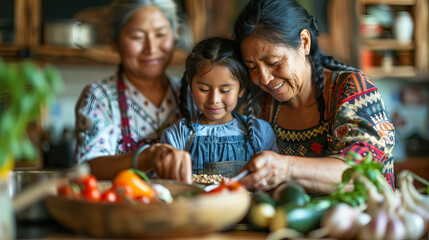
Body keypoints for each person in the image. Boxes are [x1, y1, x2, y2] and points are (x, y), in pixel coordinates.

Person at [233, 0, 395, 194]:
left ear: (304, 42)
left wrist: (286, 168)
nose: (265, 79)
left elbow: (364, 172)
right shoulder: (258, 103)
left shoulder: (351, 89)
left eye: (274, 62)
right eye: (252, 67)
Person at [75, 0, 195, 182]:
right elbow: (89, 167)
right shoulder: (100, 97)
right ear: (114, 42)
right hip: (124, 207)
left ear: (175, 35)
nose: (151, 48)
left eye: (161, 34)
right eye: (137, 37)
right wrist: (146, 157)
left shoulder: (192, 94)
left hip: (184, 207)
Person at [160, 37, 278, 178]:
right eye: (203, 89)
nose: (214, 100)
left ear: (241, 88)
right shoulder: (177, 136)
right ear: (190, 85)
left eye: (225, 90)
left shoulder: (261, 133)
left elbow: (272, 180)